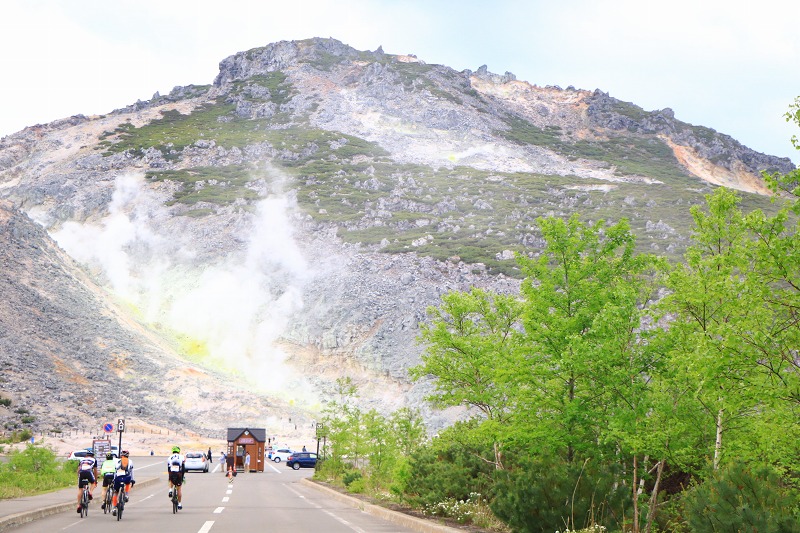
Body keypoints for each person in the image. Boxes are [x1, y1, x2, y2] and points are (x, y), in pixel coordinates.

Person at [111, 450, 135, 516]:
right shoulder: (130, 461)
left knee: (115, 492)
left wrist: (113, 479)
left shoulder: (117, 461)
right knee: (128, 483)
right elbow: (132, 471)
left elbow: (115, 471)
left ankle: (114, 508)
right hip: (126, 477)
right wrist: (133, 480)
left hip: (118, 478)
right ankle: (126, 495)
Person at [76, 449, 98, 514]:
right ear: (93, 456)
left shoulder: (82, 460)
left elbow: (78, 470)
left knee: (80, 489)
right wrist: (96, 480)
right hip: (88, 472)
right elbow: (95, 470)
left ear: (86, 456)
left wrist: (78, 477)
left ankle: (78, 505)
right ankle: (90, 493)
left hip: (81, 473)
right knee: (93, 483)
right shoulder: (94, 460)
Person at [167, 446, 185, 510]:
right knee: (179, 489)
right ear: (179, 451)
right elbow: (183, 467)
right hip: (179, 474)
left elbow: (168, 468)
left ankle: (170, 490)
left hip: (172, 473)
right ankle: (179, 504)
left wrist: (169, 476)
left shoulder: (169, 457)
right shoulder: (181, 457)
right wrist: (183, 477)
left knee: (170, 480)